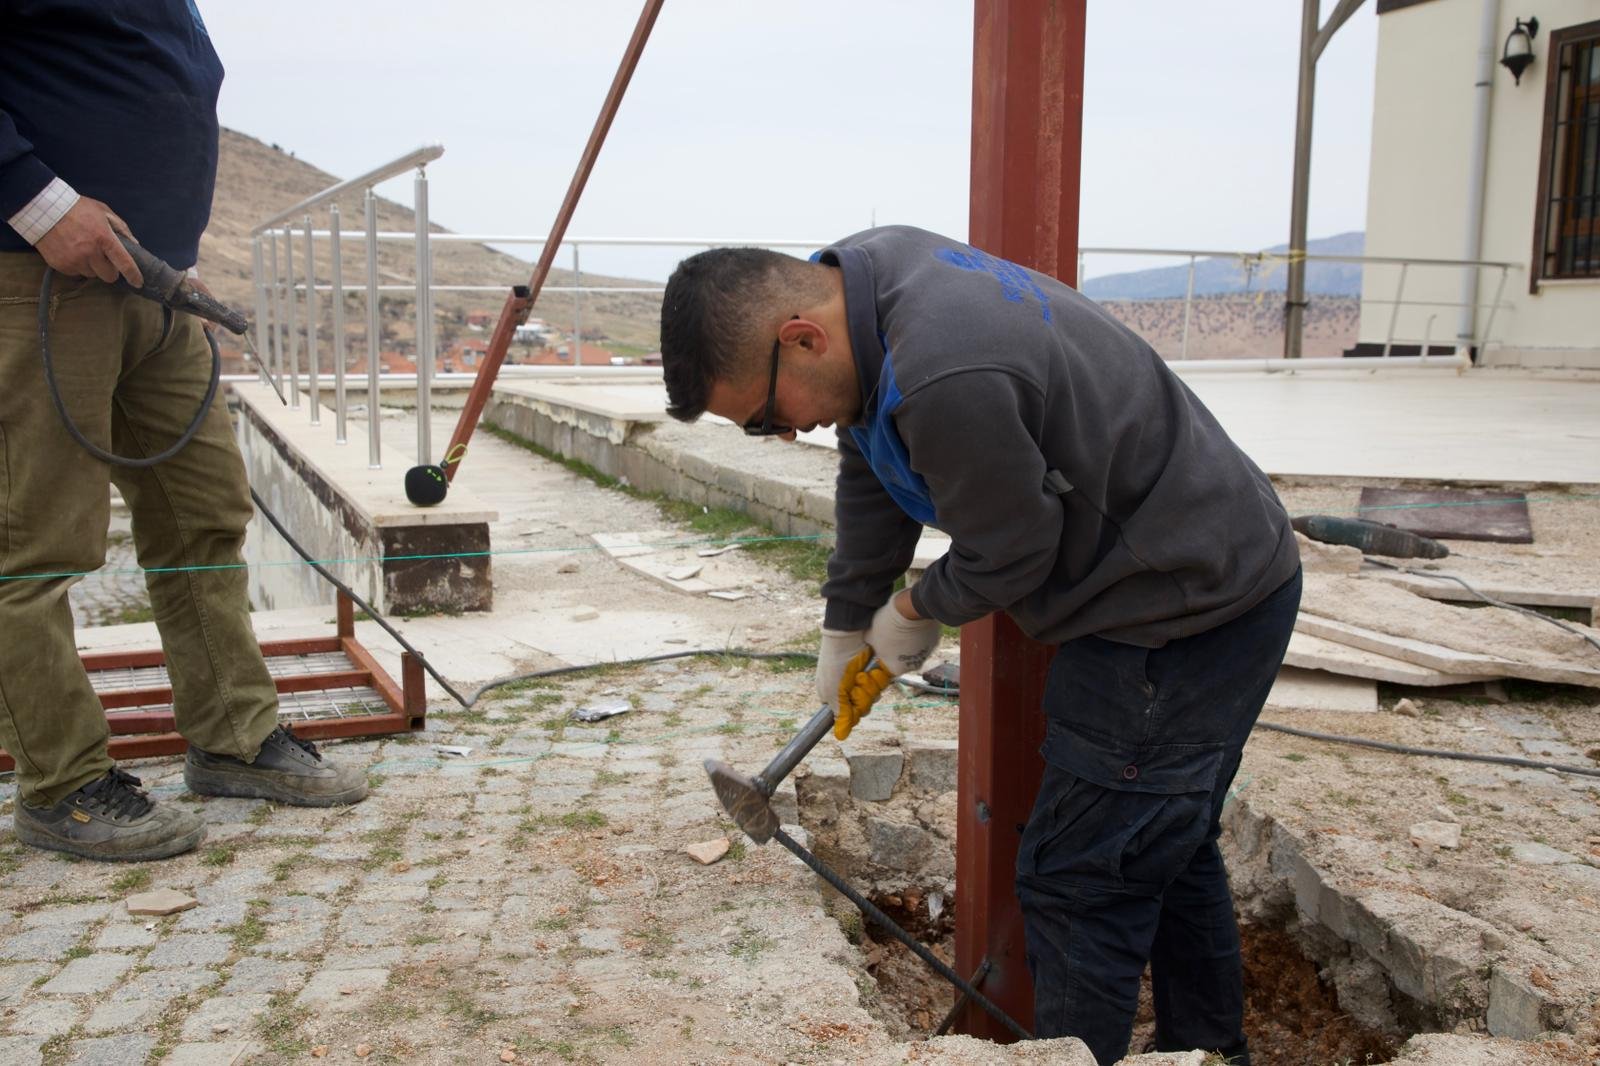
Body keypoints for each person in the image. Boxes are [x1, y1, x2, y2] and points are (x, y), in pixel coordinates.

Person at [658, 225, 1301, 1064]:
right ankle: (1211, 1052)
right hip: (1206, 571)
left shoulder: (944, 370)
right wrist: (848, 618)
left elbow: (1014, 547)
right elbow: (870, 456)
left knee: (1080, 879)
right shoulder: (868, 283)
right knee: (1162, 848)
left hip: (1179, 607)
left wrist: (915, 609)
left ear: (802, 338)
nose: (783, 435)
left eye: (767, 416)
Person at [0, 0, 366, 863]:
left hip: (156, 280)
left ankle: (234, 740)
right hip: (37, 271)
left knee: (203, 516)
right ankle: (63, 786)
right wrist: (35, 199)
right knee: (38, 542)